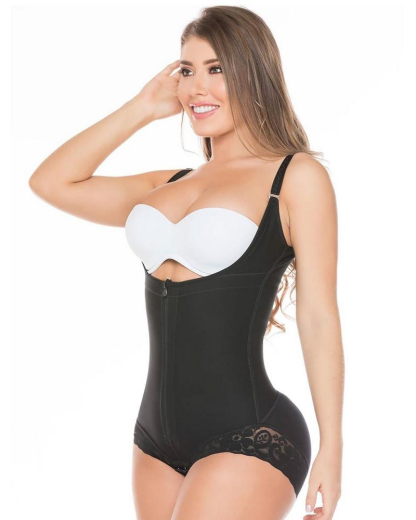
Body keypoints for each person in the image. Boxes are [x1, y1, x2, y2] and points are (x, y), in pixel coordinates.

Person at [29, 6, 344, 520]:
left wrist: (333, 445)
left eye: (216, 69)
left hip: (250, 433)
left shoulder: (295, 177)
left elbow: (318, 316)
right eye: (187, 70)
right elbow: (50, 182)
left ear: (254, 73)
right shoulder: (169, 183)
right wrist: (140, 108)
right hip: (154, 438)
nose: (198, 87)